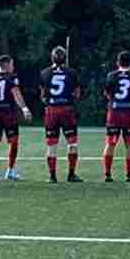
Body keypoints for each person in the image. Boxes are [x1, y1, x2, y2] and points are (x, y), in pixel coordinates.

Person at [39, 46, 84, 183]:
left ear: (51, 58)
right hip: (67, 110)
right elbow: (77, 94)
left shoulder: (44, 73)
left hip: (51, 110)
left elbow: (42, 96)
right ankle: (71, 174)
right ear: (65, 58)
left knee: (51, 145)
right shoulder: (72, 73)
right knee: (72, 143)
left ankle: (52, 176)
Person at [0, 55, 32, 182]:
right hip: (8, 114)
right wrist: (24, 109)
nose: (13, 67)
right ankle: (10, 170)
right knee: (13, 142)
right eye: (11, 64)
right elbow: (16, 93)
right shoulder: (12, 78)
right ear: (5, 65)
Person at [102, 51, 130, 182]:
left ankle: (107, 174)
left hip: (114, 112)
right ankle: (129, 174)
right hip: (129, 112)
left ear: (117, 63)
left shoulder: (111, 75)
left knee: (110, 143)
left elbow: (107, 93)